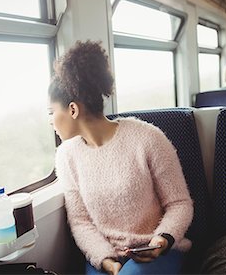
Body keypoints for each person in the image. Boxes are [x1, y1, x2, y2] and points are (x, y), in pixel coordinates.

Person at [48, 40, 193, 275]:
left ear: (73, 110)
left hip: (156, 252)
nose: (50, 121)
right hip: (105, 258)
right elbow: (81, 221)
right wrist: (106, 260)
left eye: (51, 112)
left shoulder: (147, 138)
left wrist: (161, 241)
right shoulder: (66, 156)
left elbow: (179, 204)